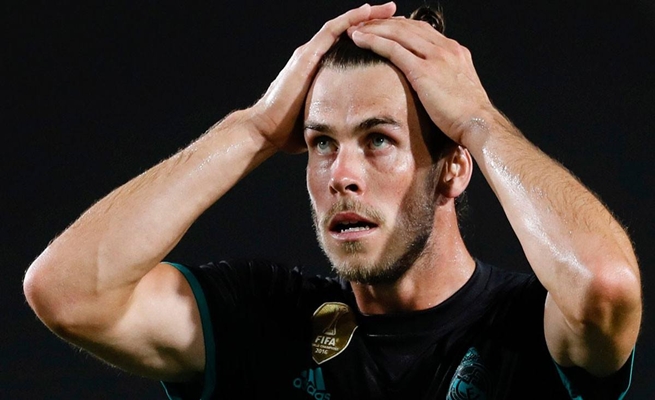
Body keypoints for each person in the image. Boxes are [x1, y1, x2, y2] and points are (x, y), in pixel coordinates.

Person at [23, 2, 641, 399]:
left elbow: (606, 286)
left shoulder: (528, 326)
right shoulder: (267, 321)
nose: (341, 174)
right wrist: (256, 129)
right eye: (322, 143)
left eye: (378, 139)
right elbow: (67, 291)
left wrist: (480, 122)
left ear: (454, 168)